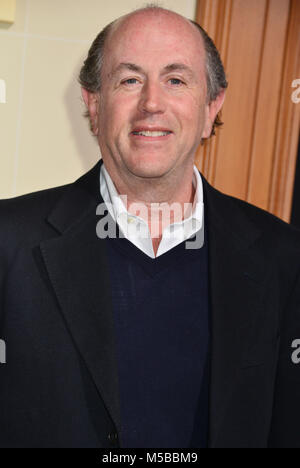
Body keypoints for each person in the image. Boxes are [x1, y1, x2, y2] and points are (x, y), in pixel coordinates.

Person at [0, 5, 299, 449]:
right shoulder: (9, 243)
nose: (152, 103)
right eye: (129, 80)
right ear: (94, 104)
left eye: (176, 80)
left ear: (211, 105)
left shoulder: (283, 256)